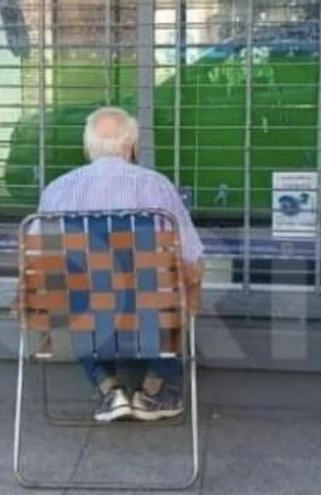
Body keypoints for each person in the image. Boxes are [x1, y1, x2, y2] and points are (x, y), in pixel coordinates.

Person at [37, 107, 204, 422]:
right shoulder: (157, 187)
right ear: (133, 146)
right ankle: (155, 390)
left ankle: (108, 388)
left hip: (84, 312)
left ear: (88, 147)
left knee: (70, 293)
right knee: (178, 290)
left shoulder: (57, 191)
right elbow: (191, 260)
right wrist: (190, 296)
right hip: (150, 311)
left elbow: (42, 265)